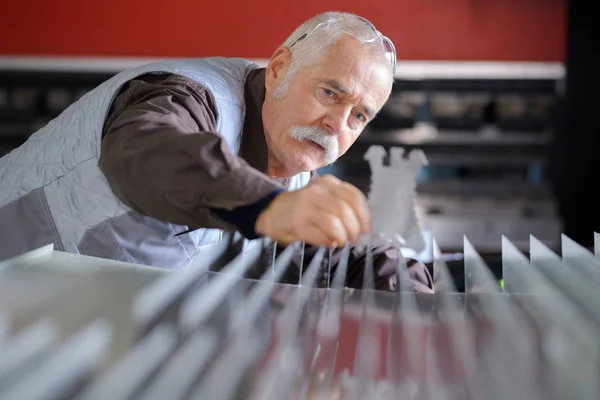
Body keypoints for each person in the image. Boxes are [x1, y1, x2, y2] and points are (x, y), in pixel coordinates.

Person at [0, 11, 432, 292]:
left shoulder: (290, 163)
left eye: (359, 116)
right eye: (329, 92)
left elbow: (318, 254)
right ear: (280, 68)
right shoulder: (187, 96)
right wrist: (265, 206)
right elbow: (148, 150)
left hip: (80, 328)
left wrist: (412, 291)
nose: (337, 125)